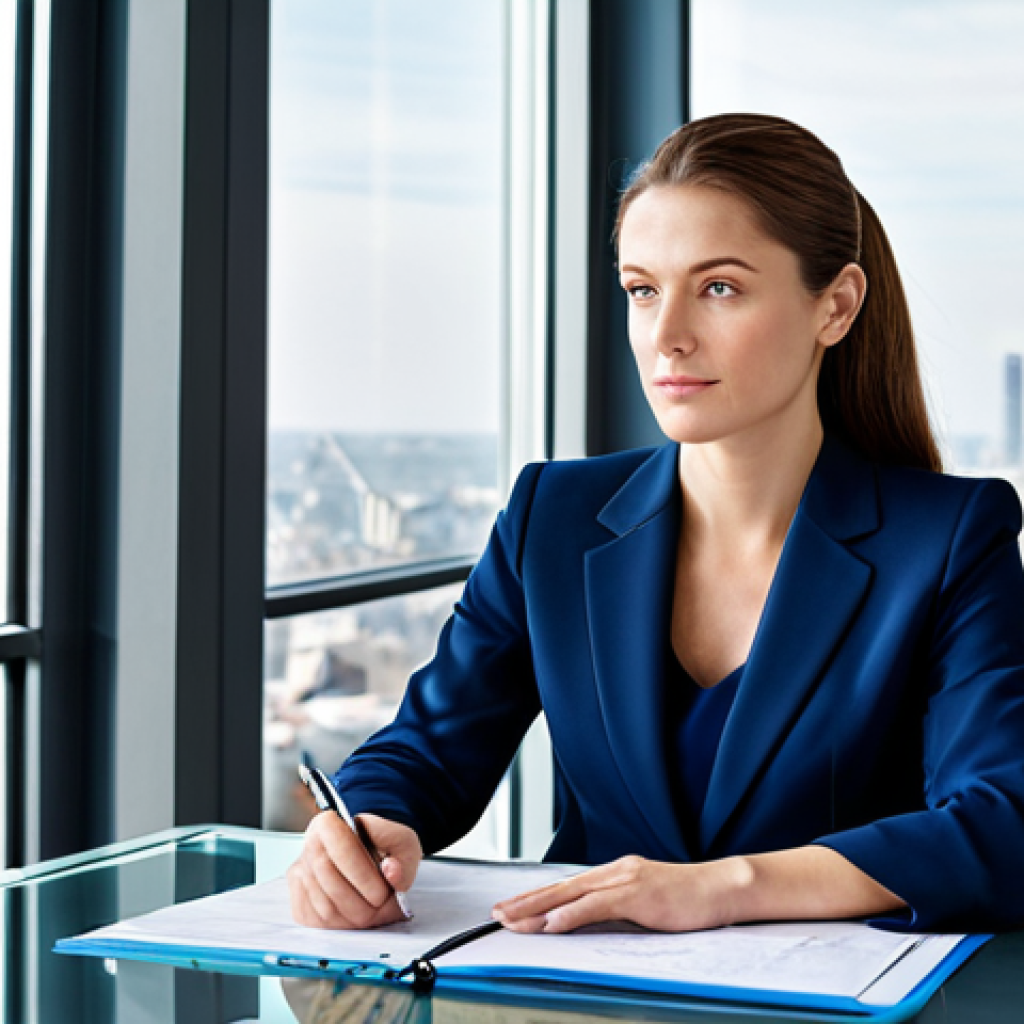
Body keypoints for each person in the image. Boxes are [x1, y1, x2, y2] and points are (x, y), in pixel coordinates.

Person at [287, 113, 1024, 936]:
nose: (666, 337)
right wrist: (367, 827)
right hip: (587, 991)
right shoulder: (552, 518)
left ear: (837, 307)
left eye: (719, 288)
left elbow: (1003, 824)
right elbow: (426, 749)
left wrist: (719, 888)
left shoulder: (951, 538)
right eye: (643, 290)